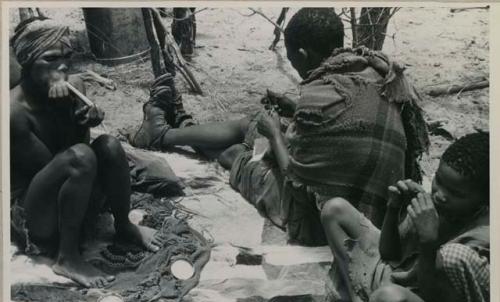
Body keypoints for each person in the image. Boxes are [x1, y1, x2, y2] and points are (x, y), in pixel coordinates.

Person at [131, 8, 429, 245]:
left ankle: (165, 133)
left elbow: (297, 180)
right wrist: (293, 108)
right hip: (380, 210)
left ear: (302, 55)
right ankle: (172, 131)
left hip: (328, 221)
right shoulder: (376, 71)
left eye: (292, 60)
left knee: (234, 153)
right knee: (252, 128)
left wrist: (275, 134)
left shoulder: (319, 98)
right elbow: (350, 123)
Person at [10, 17, 164, 288]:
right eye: (50, 59)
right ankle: (67, 257)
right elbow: (56, 166)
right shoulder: (12, 113)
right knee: (80, 156)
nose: (62, 66)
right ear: (27, 62)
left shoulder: (75, 85)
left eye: (68, 57)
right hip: (35, 213)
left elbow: (84, 155)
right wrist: (65, 115)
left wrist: (84, 120)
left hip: (71, 191)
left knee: (109, 145)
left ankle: (124, 225)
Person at [319, 132, 489, 302]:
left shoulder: (479, 239)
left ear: (484, 200)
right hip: (401, 277)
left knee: (387, 300)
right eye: (439, 181)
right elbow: (389, 253)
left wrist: (428, 242)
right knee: (335, 209)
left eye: (456, 194)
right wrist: (394, 209)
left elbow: (435, 298)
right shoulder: (438, 206)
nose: (440, 195)